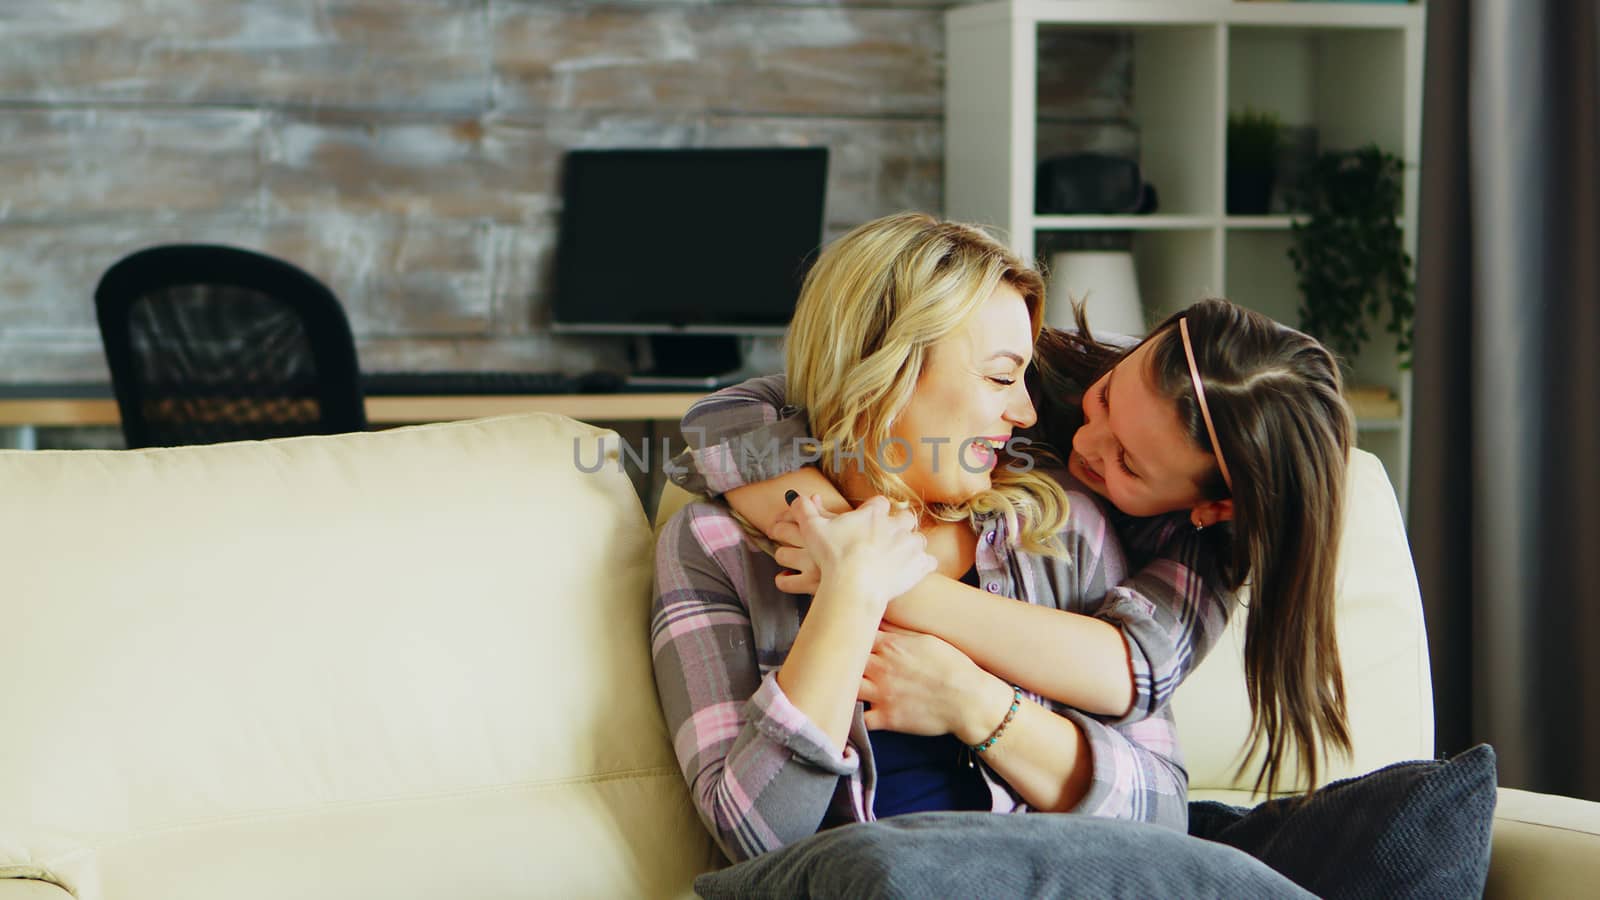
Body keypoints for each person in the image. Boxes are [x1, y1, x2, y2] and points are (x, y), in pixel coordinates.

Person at [670, 240, 1355, 801]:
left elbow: (1129, 674)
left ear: (1212, 506)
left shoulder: (1120, 534)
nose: (1083, 445)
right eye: (1108, 399)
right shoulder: (1048, 378)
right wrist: (841, 528)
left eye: (1131, 466)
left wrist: (881, 583)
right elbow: (727, 419)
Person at [651, 212, 1194, 866]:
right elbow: (754, 834)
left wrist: (972, 703)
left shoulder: (1058, 526)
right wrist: (852, 590)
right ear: (888, 371)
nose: (1025, 413)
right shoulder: (715, 545)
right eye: (1001, 377)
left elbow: (1166, 819)